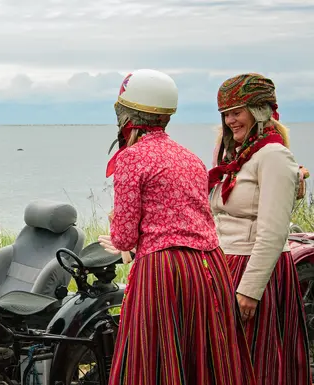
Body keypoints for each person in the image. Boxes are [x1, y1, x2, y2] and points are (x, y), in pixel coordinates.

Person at [100, 69, 255, 384]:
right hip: (209, 267)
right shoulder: (190, 158)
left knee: (154, 361)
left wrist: (117, 227)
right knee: (203, 359)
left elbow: (125, 237)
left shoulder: (132, 158)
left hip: (163, 269)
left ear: (127, 114)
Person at [208, 73, 311, 385]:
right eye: (226, 114)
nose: (230, 121)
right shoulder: (234, 157)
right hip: (225, 267)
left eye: (237, 112)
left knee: (257, 366)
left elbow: (273, 231)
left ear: (258, 111)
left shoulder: (274, 156)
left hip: (256, 272)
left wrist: (250, 291)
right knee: (226, 364)